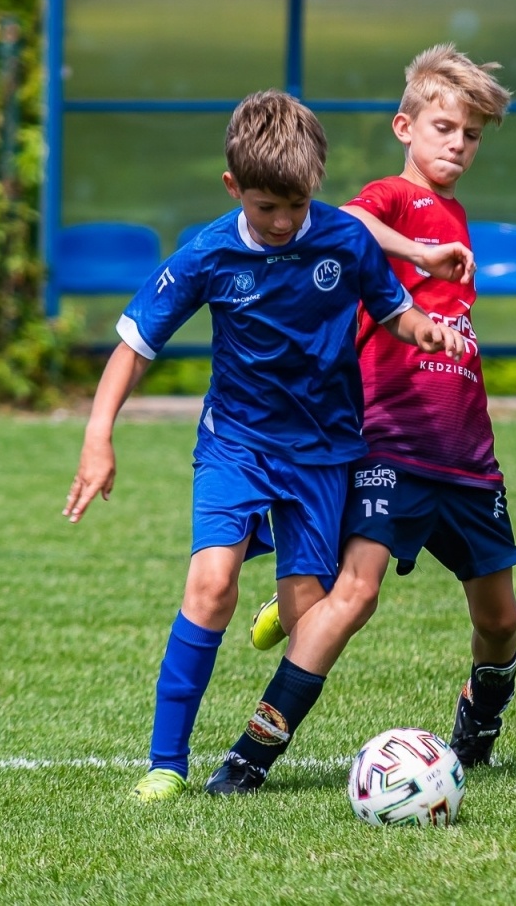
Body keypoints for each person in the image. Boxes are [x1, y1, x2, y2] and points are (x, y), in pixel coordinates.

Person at [62, 90, 470, 803]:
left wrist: (422, 331)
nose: (282, 221)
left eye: (296, 205)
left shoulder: (345, 239)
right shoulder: (209, 253)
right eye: (265, 207)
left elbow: (393, 310)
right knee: (211, 586)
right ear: (233, 187)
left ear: (317, 183)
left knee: (311, 614)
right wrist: (99, 438)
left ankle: (278, 622)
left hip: (323, 452)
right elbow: (133, 345)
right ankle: (166, 763)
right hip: (237, 446)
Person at [244, 43, 516, 771]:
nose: (457, 144)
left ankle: (478, 725)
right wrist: (421, 253)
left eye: (471, 135)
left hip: (466, 456)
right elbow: (345, 223)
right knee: (357, 595)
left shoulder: (457, 213)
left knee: (500, 619)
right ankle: (252, 754)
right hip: (392, 444)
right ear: (405, 127)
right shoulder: (395, 199)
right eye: (443, 128)